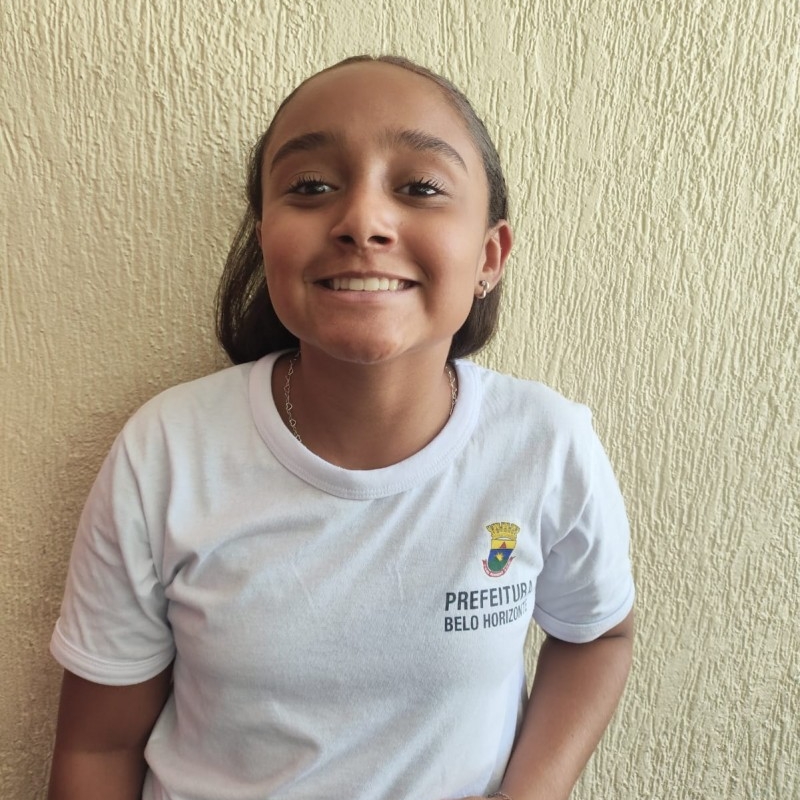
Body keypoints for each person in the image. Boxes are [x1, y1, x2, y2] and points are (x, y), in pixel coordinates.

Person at [48, 55, 635, 800]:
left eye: (420, 188)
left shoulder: (545, 446)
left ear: (489, 257)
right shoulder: (165, 453)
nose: (362, 221)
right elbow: (98, 749)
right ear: (266, 237)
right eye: (311, 186)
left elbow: (599, 634)